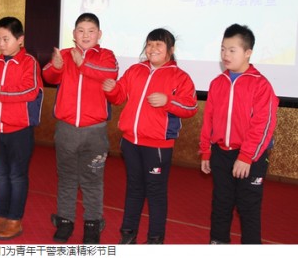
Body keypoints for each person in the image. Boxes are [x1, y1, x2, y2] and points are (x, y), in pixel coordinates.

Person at [103, 28, 197, 244]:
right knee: (134, 189)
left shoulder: (180, 77)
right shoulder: (135, 70)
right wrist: (111, 89)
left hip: (158, 146)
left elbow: (191, 107)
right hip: (130, 142)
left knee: (156, 192)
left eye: (159, 44)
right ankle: (128, 234)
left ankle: (155, 239)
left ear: (170, 49)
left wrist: (168, 101)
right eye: (150, 44)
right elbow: (118, 97)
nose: (153, 48)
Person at [42, 13, 118, 244]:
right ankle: (65, 221)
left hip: (95, 132)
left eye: (91, 31)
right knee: (66, 178)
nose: (86, 35)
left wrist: (82, 64)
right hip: (66, 130)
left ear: (99, 34)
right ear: (74, 33)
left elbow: (110, 74)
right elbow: (48, 75)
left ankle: (92, 223)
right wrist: (56, 67)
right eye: (81, 31)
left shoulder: (107, 56)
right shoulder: (65, 54)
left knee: (92, 180)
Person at [200, 24, 278, 244]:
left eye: (232, 50)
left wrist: (246, 156)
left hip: (250, 157)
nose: (225, 54)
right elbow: (209, 120)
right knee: (221, 204)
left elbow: (263, 125)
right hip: (221, 154)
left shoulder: (261, 85)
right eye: (223, 49)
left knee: (248, 208)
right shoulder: (217, 83)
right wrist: (206, 150)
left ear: (248, 52)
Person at [0, 16, 43, 240]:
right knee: (0, 175)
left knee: (17, 176)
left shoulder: (29, 63)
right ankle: (2, 215)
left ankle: (15, 220)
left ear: (20, 39)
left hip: (20, 131)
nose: (1, 44)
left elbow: (30, 91)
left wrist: (1, 92)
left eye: (5, 39)